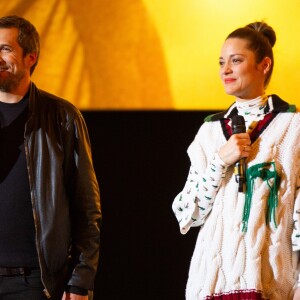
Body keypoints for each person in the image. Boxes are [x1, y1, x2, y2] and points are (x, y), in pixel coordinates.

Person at [172, 21, 300, 300]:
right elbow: (187, 215)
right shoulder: (210, 131)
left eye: (236, 60)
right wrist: (219, 161)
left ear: (264, 65)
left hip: (272, 284)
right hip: (211, 283)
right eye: (221, 63)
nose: (225, 70)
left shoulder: (293, 126)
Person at [0, 15, 101, 299]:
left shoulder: (62, 117)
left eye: (5, 49)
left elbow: (86, 206)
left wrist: (81, 277)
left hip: (34, 282)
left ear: (30, 57)